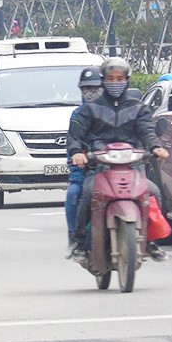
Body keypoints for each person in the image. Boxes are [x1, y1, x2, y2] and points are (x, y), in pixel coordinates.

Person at [67, 57, 169, 263]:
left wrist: (156, 147)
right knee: (86, 193)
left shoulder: (138, 108)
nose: (115, 83)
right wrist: (77, 152)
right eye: (111, 78)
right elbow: (75, 135)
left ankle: (150, 241)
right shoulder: (90, 109)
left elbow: (147, 131)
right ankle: (78, 242)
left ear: (127, 80)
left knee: (154, 192)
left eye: (120, 78)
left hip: (132, 167)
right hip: (99, 168)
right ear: (103, 81)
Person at [64, 68, 103, 251]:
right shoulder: (78, 115)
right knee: (74, 193)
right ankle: (75, 238)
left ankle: (150, 241)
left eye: (95, 88)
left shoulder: (116, 111)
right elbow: (74, 141)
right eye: (86, 88)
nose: (91, 93)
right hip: (88, 170)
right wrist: (77, 156)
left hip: (116, 169)